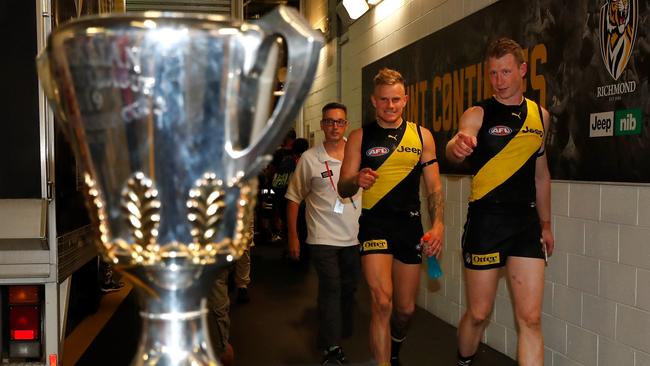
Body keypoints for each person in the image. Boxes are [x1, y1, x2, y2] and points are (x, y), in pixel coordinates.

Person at [446, 38, 554, 366]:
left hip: (525, 224)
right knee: (479, 314)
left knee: (531, 319)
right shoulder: (478, 113)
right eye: (493, 73)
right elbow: (456, 143)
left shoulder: (541, 116)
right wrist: (457, 145)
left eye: (506, 71)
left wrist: (547, 224)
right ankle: (464, 361)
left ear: (522, 70)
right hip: (486, 222)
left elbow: (541, 175)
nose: (499, 80)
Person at [338, 68, 444, 366]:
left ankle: (394, 350)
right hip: (374, 225)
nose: (390, 106)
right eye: (384, 100)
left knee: (405, 310)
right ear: (373, 101)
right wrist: (356, 179)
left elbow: (434, 187)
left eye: (396, 99)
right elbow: (343, 187)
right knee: (381, 302)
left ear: (405, 99)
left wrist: (438, 226)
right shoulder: (360, 137)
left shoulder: (422, 136)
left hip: (409, 226)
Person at [285, 102, 362, 365]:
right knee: (331, 287)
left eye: (339, 122)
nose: (334, 127)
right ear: (321, 125)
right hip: (321, 237)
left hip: (353, 237)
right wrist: (294, 237)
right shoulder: (310, 159)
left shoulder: (357, 157)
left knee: (349, 287)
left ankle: (332, 330)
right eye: (329, 121)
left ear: (346, 126)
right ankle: (331, 347)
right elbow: (294, 198)